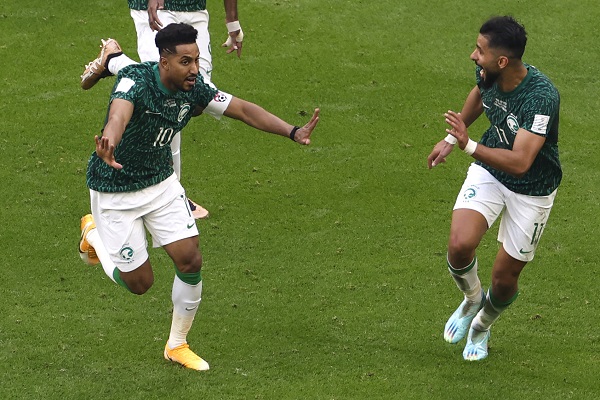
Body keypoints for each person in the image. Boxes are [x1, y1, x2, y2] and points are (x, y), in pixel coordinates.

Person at [79, 22, 319, 371]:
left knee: (190, 259)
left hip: (160, 183)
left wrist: (292, 131)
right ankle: (95, 236)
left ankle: (177, 344)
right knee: (140, 284)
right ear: (164, 61)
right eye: (186, 62)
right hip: (116, 189)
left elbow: (243, 109)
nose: (195, 69)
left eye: (197, 60)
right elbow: (118, 114)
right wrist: (109, 142)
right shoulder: (136, 83)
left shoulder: (194, 89)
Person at [427, 16, 561, 361]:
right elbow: (479, 94)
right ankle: (472, 299)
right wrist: (449, 138)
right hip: (490, 171)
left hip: (532, 188)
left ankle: (483, 324)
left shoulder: (541, 98)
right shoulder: (489, 73)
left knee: (503, 280)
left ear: (503, 61)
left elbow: (520, 162)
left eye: (480, 51)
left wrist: (468, 145)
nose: (473, 56)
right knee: (460, 245)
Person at [81, 0, 244, 219]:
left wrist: (232, 21)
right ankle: (174, 195)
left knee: (194, 98)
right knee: (166, 96)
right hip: (156, 7)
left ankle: (114, 60)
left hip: (194, 9)